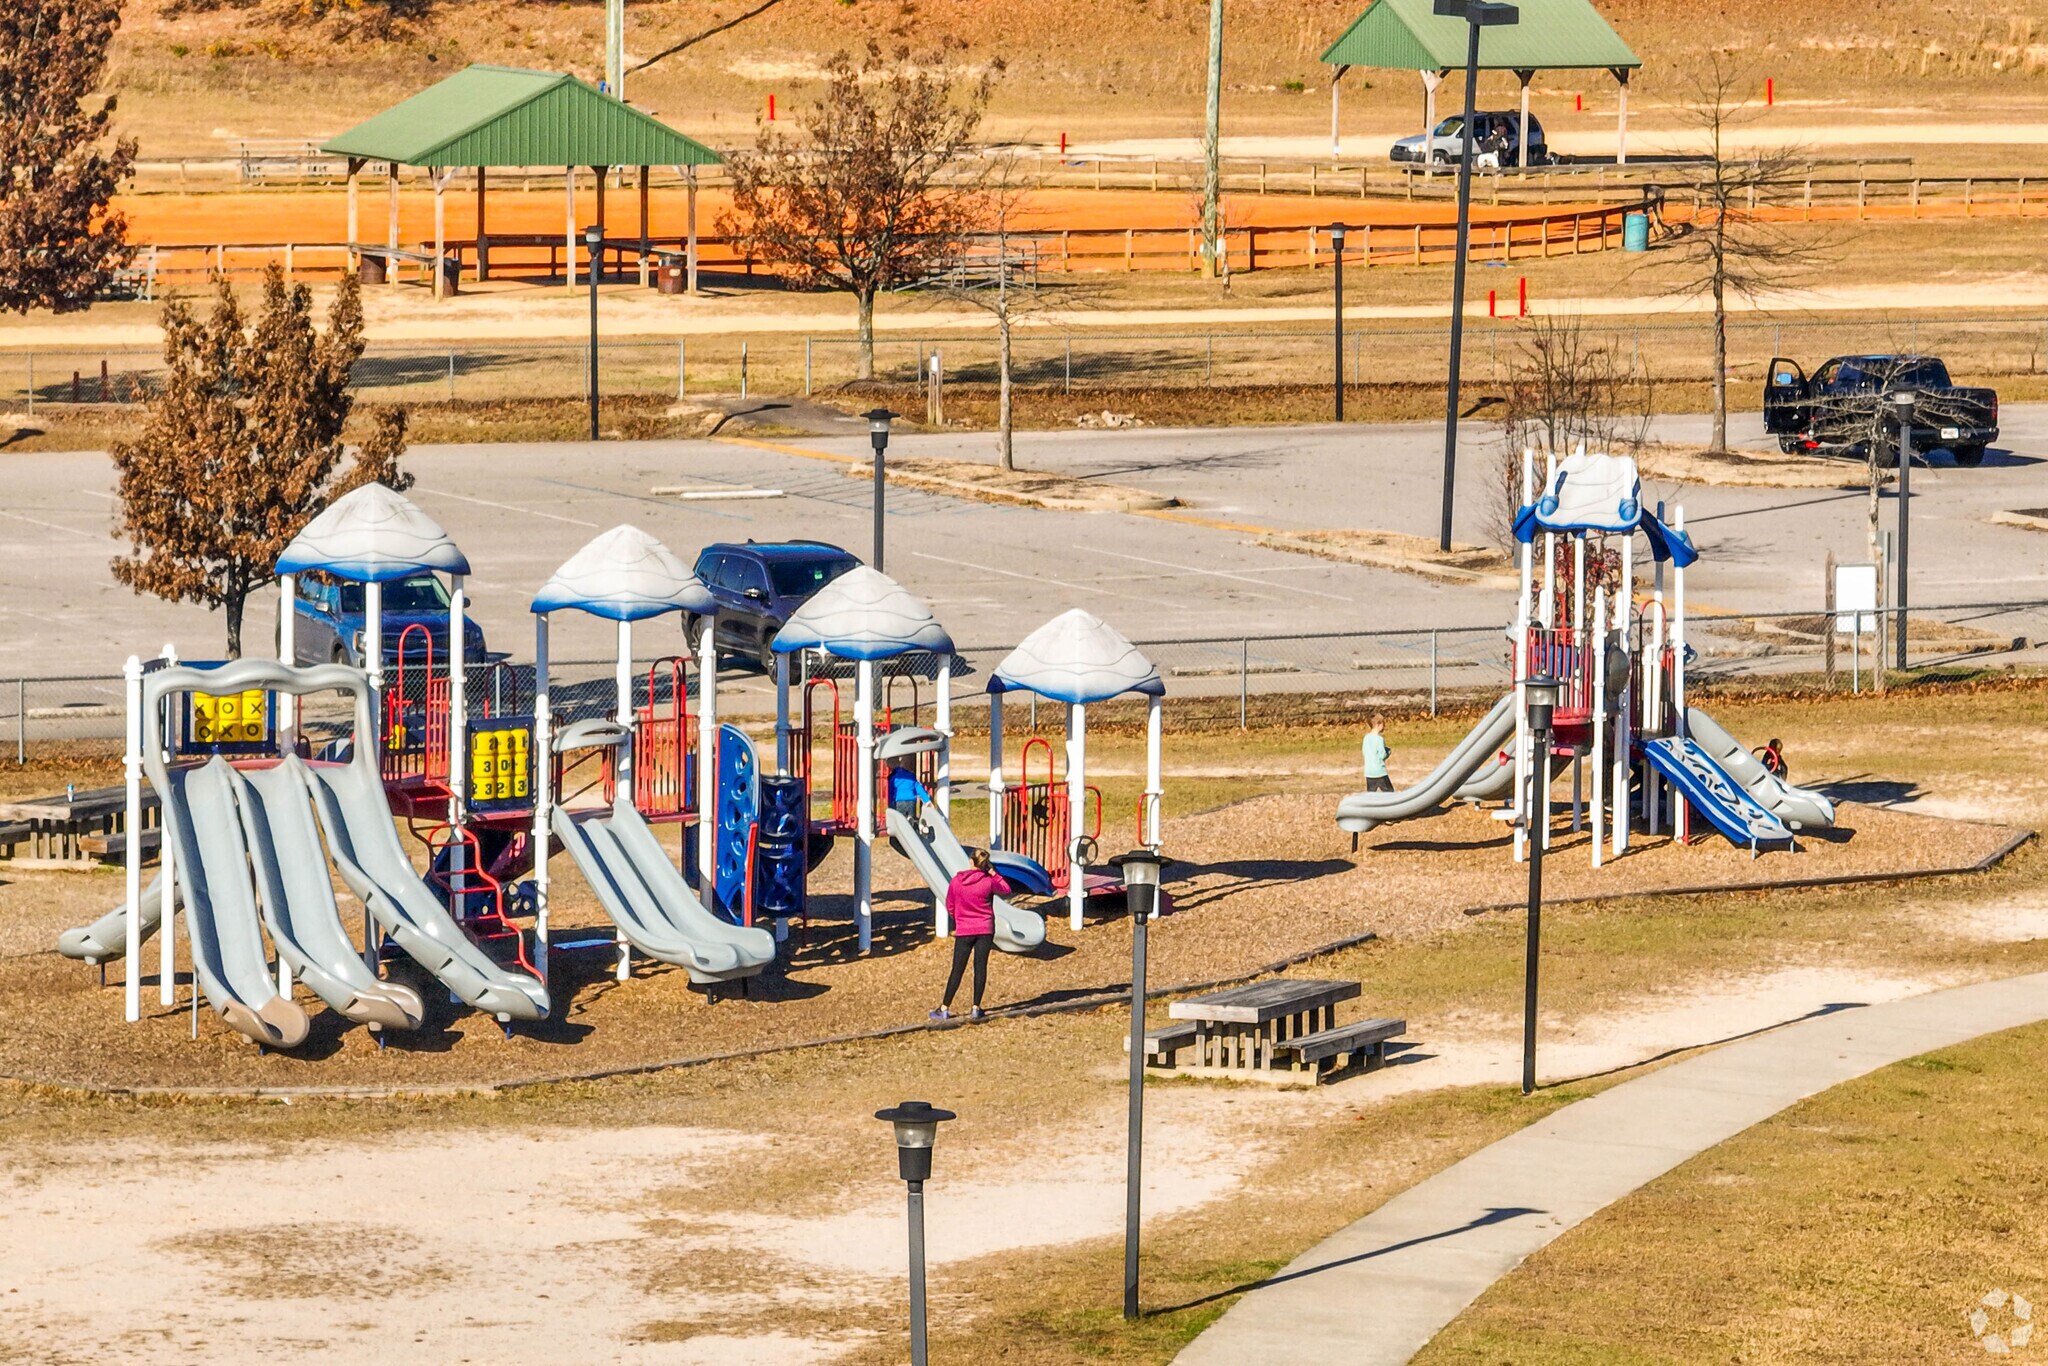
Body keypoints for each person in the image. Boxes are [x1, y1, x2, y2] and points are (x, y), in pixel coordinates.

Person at [931, 848, 1010, 1022]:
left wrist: (959, 919)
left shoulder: (957, 881)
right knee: (980, 968)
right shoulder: (988, 882)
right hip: (985, 929)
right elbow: (1006, 888)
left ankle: (944, 1007)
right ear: (985, 865)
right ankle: (976, 1007)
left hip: (965, 929)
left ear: (971, 862)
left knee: (957, 969)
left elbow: (950, 904)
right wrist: (993, 873)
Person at [886, 761, 931, 826]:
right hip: (912, 800)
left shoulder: (893, 777)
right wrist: (927, 800)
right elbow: (918, 788)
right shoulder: (911, 775)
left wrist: (890, 804)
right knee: (911, 816)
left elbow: (891, 792)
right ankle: (910, 819)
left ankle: (904, 825)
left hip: (899, 801)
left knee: (900, 820)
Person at [1361, 715, 1394, 793]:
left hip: (1369, 772)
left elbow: (1364, 752)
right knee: (1390, 793)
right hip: (1379, 772)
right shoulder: (1379, 739)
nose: (1384, 726)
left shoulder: (1366, 738)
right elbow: (1382, 755)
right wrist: (1388, 752)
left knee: (1371, 795)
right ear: (1378, 725)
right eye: (1383, 724)